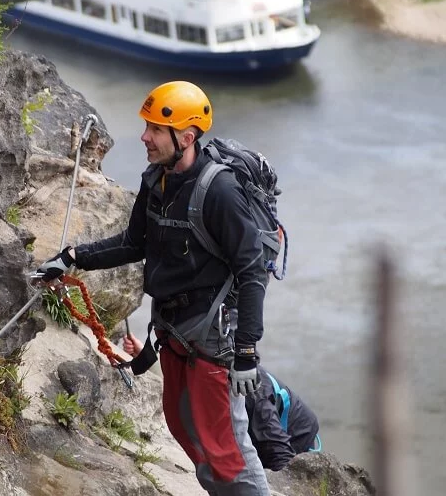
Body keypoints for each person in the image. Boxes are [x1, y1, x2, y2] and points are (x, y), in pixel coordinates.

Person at [36, 81, 272, 495]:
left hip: (214, 338)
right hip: (174, 328)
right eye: (147, 127)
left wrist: (248, 351)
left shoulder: (220, 192)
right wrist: (73, 257)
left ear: (186, 136)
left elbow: (252, 271)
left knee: (227, 449)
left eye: (155, 130)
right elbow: (134, 244)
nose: (144, 137)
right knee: (185, 429)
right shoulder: (157, 181)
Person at [123, 333, 321, 471]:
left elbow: (281, 456)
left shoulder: (252, 397)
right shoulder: (207, 365)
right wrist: (144, 355)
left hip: (296, 440)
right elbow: (179, 378)